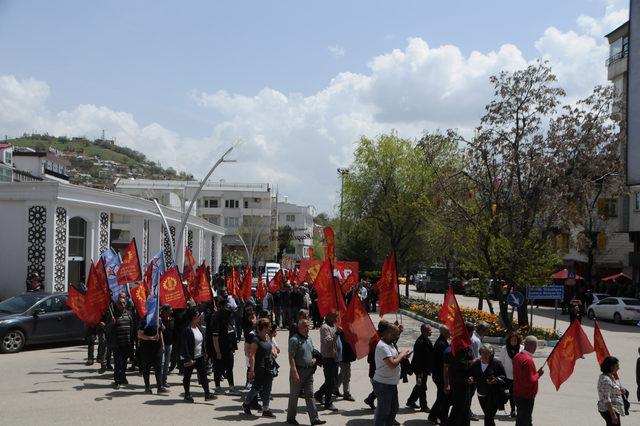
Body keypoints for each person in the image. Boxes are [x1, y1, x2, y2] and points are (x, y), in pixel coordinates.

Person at [287, 319, 325, 425]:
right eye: (305, 326)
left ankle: (314, 419)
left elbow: (313, 352)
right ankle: (290, 418)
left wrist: (315, 359)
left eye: (308, 326)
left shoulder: (309, 339)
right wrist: (294, 371)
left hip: (309, 372)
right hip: (298, 370)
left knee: (310, 395)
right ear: (299, 328)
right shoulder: (294, 340)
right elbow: (291, 357)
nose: (307, 328)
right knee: (294, 395)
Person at [372, 323, 411, 426]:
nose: (396, 337)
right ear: (386, 333)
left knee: (393, 408)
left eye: (397, 335)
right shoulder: (382, 346)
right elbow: (392, 364)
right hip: (383, 383)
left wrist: (403, 356)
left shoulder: (390, 343)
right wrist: (401, 354)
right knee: (383, 412)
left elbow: (394, 357)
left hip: (391, 382)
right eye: (394, 335)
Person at [242, 318, 276, 418]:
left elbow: (269, 348)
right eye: (269, 326)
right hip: (260, 367)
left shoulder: (267, 337)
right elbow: (251, 355)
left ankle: (265, 409)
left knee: (267, 389)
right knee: (256, 389)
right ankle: (246, 403)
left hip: (268, 366)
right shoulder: (255, 339)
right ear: (264, 327)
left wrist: (273, 353)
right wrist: (251, 370)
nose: (270, 327)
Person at [181, 307, 214, 402]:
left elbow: (202, 341)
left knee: (203, 375)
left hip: (199, 357)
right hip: (190, 358)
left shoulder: (198, 327)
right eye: (197, 316)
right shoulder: (187, 330)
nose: (199, 317)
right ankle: (187, 395)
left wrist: (204, 352)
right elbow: (184, 346)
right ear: (193, 317)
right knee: (187, 376)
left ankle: (207, 394)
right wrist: (188, 359)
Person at [468, 344, 507, 426]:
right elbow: (472, 375)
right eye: (483, 353)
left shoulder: (497, 363)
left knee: (488, 416)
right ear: (480, 353)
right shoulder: (477, 363)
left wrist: (495, 380)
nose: (485, 355)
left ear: (491, 354)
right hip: (481, 394)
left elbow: (503, 378)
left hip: (494, 395)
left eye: (487, 353)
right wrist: (471, 379)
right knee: (488, 416)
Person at [513, 335, 544, 426]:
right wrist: (538, 374)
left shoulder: (517, 356)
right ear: (532, 346)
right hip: (526, 396)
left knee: (521, 419)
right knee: (525, 420)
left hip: (517, 393)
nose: (535, 349)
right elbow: (530, 381)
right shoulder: (528, 360)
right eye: (535, 346)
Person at [314, 311, 340, 411]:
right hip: (328, 357)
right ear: (328, 316)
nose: (336, 319)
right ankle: (328, 402)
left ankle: (319, 394)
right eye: (334, 317)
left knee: (333, 380)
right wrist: (336, 334)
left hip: (335, 356)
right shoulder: (324, 327)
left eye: (336, 317)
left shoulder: (334, 325)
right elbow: (328, 341)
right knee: (330, 381)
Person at [211, 297, 238, 392]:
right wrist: (217, 352)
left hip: (229, 348)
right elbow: (215, 338)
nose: (228, 307)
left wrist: (234, 348)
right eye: (225, 306)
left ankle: (231, 386)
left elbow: (232, 333)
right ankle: (217, 386)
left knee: (230, 367)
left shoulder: (229, 318)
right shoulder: (216, 319)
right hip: (219, 349)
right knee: (218, 368)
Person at [445, 346, 475, 426]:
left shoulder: (467, 349)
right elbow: (449, 367)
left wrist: (472, 376)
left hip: (465, 384)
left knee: (465, 410)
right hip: (459, 384)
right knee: (457, 410)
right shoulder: (454, 351)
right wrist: (473, 362)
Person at [406, 323, 433, 412]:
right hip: (420, 370)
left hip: (424, 369)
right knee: (422, 387)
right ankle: (424, 406)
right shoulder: (420, 342)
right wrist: (421, 371)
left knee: (419, 385)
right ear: (424, 331)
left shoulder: (426, 340)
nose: (431, 331)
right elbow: (419, 359)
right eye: (429, 330)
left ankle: (411, 401)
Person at [428, 325, 451, 425]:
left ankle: (434, 415)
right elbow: (444, 363)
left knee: (441, 396)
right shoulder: (441, 344)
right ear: (444, 333)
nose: (450, 333)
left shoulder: (443, 342)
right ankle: (435, 416)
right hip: (440, 375)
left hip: (439, 375)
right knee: (442, 397)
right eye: (448, 332)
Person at [497, 332, 523, 417]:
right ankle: (512, 410)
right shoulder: (504, 349)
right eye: (512, 340)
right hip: (507, 375)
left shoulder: (522, 348)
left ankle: (518, 409)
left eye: (515, 340)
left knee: (517, 393)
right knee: (510, 394)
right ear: (509, 341)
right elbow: (500, 361)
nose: (513, 342)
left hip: (518, 376)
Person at [110, 296, 134, 389]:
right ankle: (117, 381)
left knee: (124, 362)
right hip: (117, 344)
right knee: (118, 363)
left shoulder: (129, 314)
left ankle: (123, 376)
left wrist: (133, 342)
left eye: (124, 303)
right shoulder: (113, 316)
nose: (122, 305)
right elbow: (108, 330)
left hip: (127, 343)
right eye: (120, 303)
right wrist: (111, 323)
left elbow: (133, 329)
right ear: (117, 304)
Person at [137, 321, 166, 394]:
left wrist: (162, 344)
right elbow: (139, 335)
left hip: (157, 349)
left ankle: (160, 387)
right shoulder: (145, 320)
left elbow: (160, 332)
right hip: (146, 349)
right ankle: (147, 387)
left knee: (158, 368)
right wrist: (151, 337)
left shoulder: (158, 319)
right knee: (146, 369)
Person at [598, 356, 625, 425]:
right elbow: (606, 398)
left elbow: (613, 388)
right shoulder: (605, 380)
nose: (618, 368)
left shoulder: (610, 376)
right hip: (609, 410)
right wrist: (613, 415)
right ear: (611, 367)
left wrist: (620, 390)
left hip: (613, 408)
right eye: (617, 366)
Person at [334, 329, 356, 401]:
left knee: (343, 373)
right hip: (343, 356)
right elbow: (339, 342)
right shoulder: (340, 330)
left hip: (347, 355)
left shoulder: (350, 328)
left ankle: (334, 387)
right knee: (346, 375)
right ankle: (346, 393)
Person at [159, 304, 174, 388]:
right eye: (169, 310)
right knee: (162, 363)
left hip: (170, 344)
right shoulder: (159, 320)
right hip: (162, 345)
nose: (171, 311)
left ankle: (164, 380)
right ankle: (160, 381)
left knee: (167, 364)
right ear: (165, 311)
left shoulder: (172, 319)